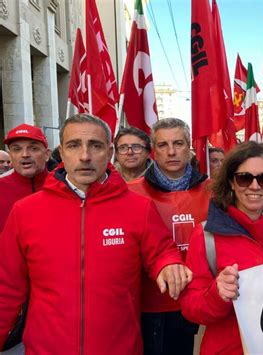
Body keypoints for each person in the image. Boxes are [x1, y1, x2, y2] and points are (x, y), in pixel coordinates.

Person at [0, 114, 190, 354]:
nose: (85, 156)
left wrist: (169, 264)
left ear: (110, 151)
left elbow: (162, 251)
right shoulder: (25, 211)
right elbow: (6, 289)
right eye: (74, 145)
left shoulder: (138, 207)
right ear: (61, 152)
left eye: (95, 145)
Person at [180, 142, 263, 354]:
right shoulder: (206, 236)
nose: (254, 186)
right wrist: (217, 294)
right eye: (244, 178)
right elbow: (191, 308)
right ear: (232, 182)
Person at [128, 118, 210, 355]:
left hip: (201, 298)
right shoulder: (131, 192)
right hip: (151, 304)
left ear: (189, 147)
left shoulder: (214, 191)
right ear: (153, 150)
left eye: (178, 143)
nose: (171, 152)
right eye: (163, 145)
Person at [0, 124, 51, 232]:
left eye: (33, 148)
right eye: (16, 149)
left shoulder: (66, 187)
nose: (25, 154)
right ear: (10, 156)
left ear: (47, 155)